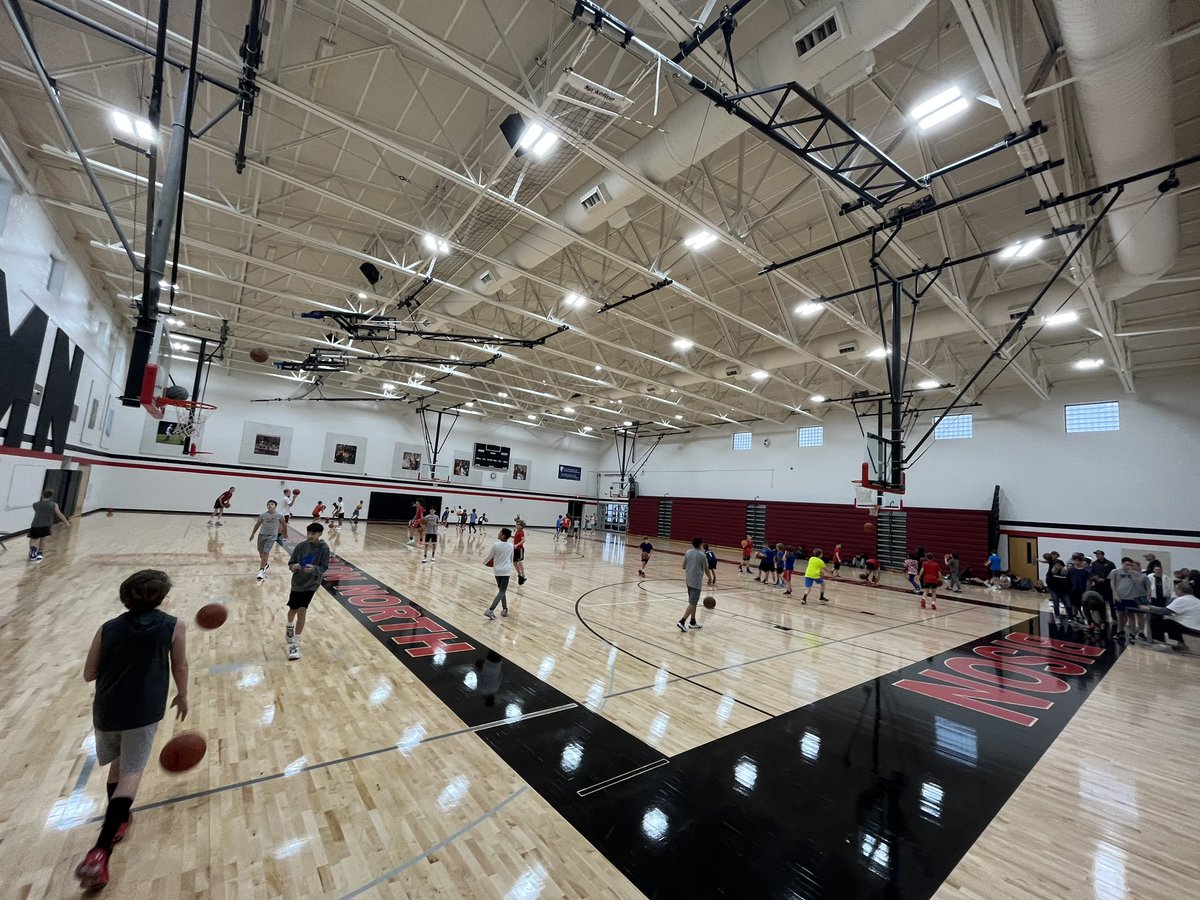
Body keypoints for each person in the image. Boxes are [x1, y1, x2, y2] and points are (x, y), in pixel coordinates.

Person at [75, 570, 188, 890]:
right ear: (162, 597)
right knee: (131, 775)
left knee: (117, 767)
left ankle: (120, 819)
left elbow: (88, 674)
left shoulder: (107, 628)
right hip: (143, 712)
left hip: (107, 710)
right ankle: (100, 850)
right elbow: (179, 665)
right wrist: (183, 694)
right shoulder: (174, 625)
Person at [284, 523, 331, 660]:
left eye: (313, 534)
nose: (310, 536)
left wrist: (314, 569)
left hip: (311, 584)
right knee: (292, 609)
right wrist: (294, 567)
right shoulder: (300, 547)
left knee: (302, 610)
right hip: (297, 583)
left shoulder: (324, 549)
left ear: (320, 534)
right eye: (308, 533)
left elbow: (324, 567)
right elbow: (291, 563)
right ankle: (289, 625)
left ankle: (295, 644)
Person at [1141, 582, 1200, 651]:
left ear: (1180, 590)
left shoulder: (1182, 599)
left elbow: (1167, 611)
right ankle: (1181, 644)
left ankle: (1160, 643)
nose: (1175, 592)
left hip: (1189, 627)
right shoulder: (1197, 600)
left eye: (1176, 590)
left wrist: (1150, 608)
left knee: (1157, 620)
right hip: (1196, 627)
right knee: (1172, 622)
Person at [1111, 557, 1150, 642]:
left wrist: (1132, 573)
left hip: (1132, 598)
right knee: (1120, 615)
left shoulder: (1135, 573)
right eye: (1126, 564)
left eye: (1130, 565)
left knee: (1131, 616)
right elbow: (1113, 583)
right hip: (1120, 597)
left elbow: (1138, 583)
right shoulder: (1115, 572)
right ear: (1122, 564)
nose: (1128, 566)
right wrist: (1115, 594)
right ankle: (1119, 631)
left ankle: (1133, 633)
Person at [28, 488, 70, 562]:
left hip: (35, 525)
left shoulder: (35, 504)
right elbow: (59, 514)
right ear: (51, 496)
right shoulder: (54, 505)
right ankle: (40, 553)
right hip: (46, 525)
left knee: (33, 539)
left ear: (42, 495)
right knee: (43, 539)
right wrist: (66, 522)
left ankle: (33, 553)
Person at [248, 499, 286, 580]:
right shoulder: (263, 515)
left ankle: (261, 570)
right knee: (261, 552)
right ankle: (265, 564)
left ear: (275, 506)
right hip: (261, 535)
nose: (270, 505)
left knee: (266, 552)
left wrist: (284, 533)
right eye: (268, 504)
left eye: (272, 504)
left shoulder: (279, 516)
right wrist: (252, 534)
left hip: (272, 536)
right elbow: (257, 525)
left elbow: (284, 524)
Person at [483, 528, 515, 619]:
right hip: (506, 571)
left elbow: (489, 557)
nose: (498, 533)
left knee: (501, 590)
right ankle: (490, 610)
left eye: (500, 532)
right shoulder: (510, 546)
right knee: (502, 591)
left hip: (497, 571)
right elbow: (511, 559)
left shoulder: (495, 545)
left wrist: (484, 563)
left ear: (503, 535)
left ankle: (505, 609)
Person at [677, 537, 707, 632]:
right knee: (692, 603)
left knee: (693, 602)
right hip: (696, 582)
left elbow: (683, 566)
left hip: (688, 580)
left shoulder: (688, 552)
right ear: (701, 544)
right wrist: (710, 578)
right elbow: (706, 569)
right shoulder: (702, 556)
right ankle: (682, 621)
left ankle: (692, 622)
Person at [1145, 562, 1172, 643]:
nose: (1157, 571)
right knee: (1152, 618)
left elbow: (1170, 589)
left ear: (1161, 570)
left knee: (1161, 618)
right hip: (1153, 599)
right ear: (1153, 570)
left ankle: (1161, 637)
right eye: (1155, 569)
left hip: (1163, 599)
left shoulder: (1167, 578)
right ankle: (1153, 637)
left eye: (1158, 569)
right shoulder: (1150, 577)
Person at [1065, 553, 1092, 623]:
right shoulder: (1071, 570)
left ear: (1081, 562)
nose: (1076, 562)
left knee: (1082, 605)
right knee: (1073, 604)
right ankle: (1073, 616)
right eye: (1075, 560)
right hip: (1073, 590)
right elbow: (1068, 580)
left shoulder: (1086, 571)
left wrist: (1087, 591)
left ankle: (1086, 618)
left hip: (1082, 590)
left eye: (1078, 560)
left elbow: (1088, 582)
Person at [513, 519, 527, 585]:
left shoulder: (521, 531)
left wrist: (517, 545)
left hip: (520, 549)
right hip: (515, 549)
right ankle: (519, 574)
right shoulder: (517, 531)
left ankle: (523, 575)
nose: (516, 525)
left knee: (520, 562)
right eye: (516, 524)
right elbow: (516, 538)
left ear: (521, 526)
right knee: (514, 562)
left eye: (518, 524)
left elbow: (523, 540)